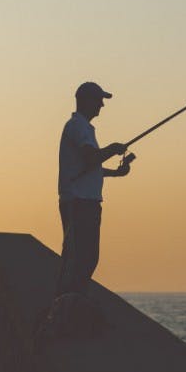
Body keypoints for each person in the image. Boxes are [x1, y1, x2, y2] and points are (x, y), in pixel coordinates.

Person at [55, 81, 133, 296]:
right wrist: (113, 148)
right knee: (79, 259)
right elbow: (91, 158)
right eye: (99, 100)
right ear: (86, 101)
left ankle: (72, 300)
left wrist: (116, 172)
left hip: (85, 203)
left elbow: (88, 167)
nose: (102, 105)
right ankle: (65, 303)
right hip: (78, 203)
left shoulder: (83, 128)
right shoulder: (78, 127)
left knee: (87, 258)